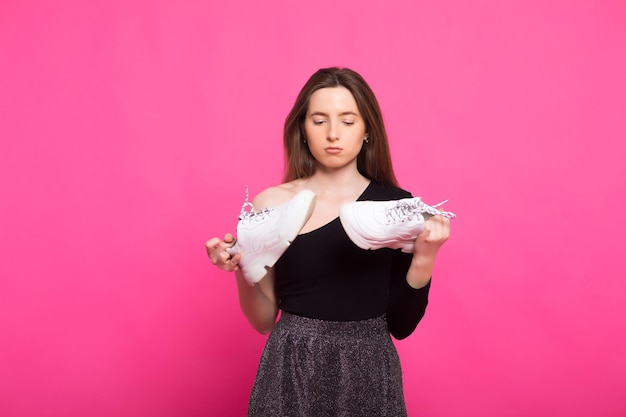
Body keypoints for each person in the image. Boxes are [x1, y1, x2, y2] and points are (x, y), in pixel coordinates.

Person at [206, 67, 451, 416]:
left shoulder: (396, 206)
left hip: (368, 366)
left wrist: (425, 258)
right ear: (302, 129)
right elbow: (262, 320)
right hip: (291, 367)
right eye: (319, 121)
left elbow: (401, 325)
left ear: (367, 130)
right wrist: (241, 266)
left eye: (348, 121)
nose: (333, 133)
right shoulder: (272, 204)